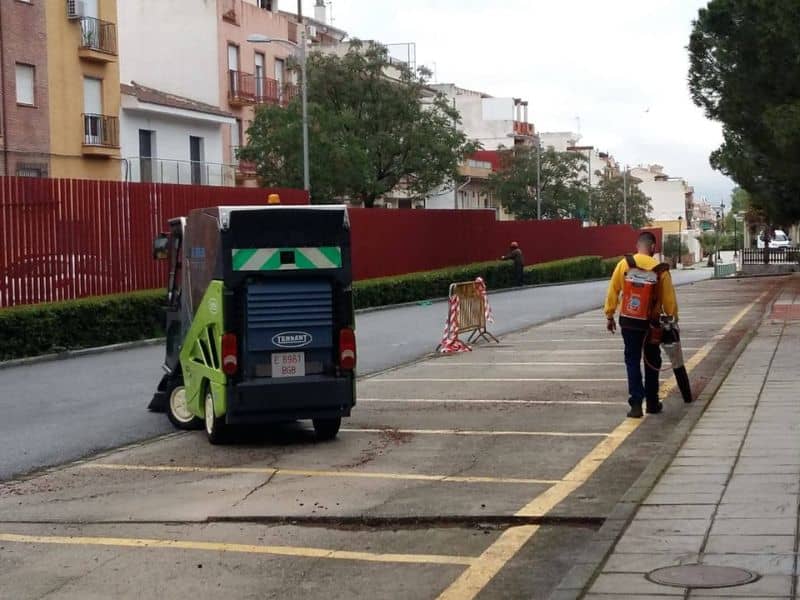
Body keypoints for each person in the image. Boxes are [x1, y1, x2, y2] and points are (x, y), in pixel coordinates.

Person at [604, 231, 678, 418]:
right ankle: (652, 403)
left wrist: (609, 315)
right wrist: (673, 319)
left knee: (632, 360)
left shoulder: (624, 264)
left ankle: (636, 404)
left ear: (638, 246)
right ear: (652, 247)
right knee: (652, 361)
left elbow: (613, 291)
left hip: (629, 322)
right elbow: (669, 300)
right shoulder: (660, 268)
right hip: (651, 324)